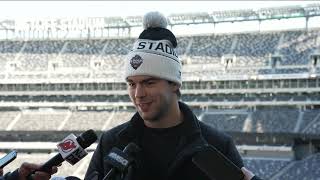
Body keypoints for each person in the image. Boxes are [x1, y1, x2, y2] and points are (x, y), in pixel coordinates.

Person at [85, 11, 262, 180]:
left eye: (149, 82)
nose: (138, 94)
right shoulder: (111, 142)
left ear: (175, 84)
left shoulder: (217, 145)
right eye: (132, 84)